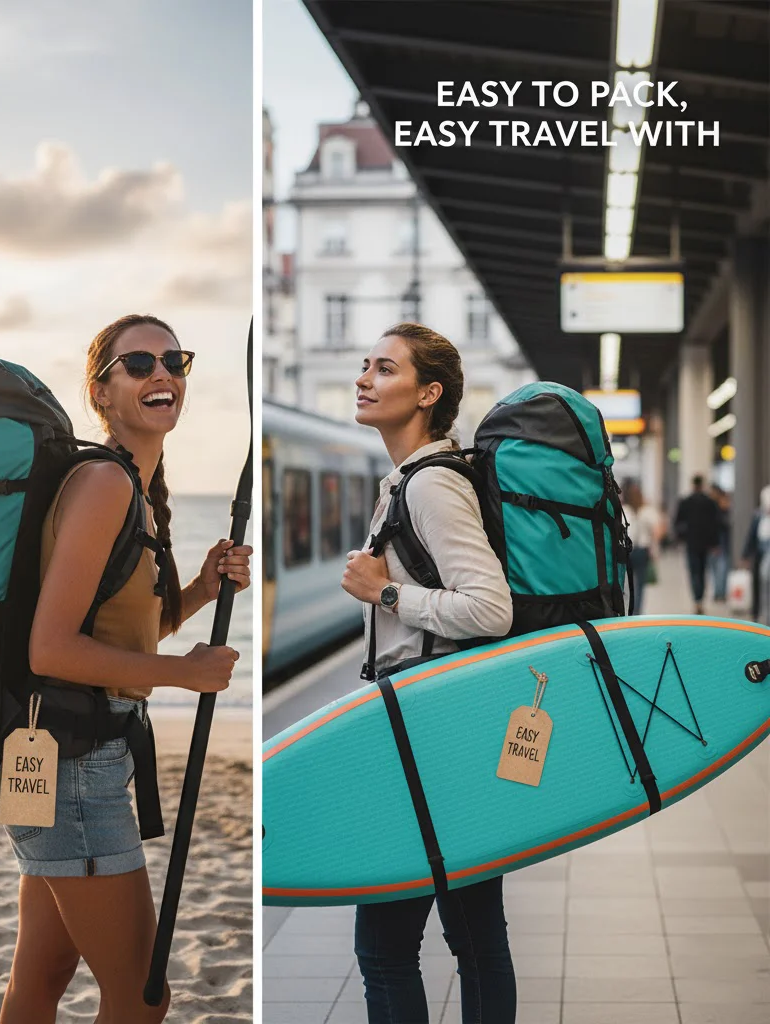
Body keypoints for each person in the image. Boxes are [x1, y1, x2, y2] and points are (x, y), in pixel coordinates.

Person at [0, 314, 252, 1024]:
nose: (162, 373)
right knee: (143, 997)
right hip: (76, 768)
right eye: (138, 364)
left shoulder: (133, 491)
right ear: (100, 392)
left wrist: (200, 591)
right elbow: (49, 650)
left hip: (60, 758)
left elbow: (112, 631)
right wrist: (184, 673)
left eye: (174, 360)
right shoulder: (106, 486)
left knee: (39, 981)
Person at [341, 322, 516, 1024]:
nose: (364, 378)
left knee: (384, 949)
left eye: (384, 369)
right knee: (476, 941)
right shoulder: (415, 480)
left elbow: (490, 608)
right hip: (447, 736)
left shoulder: (433, 486)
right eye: (365, 364)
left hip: (425, 740)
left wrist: (385, 593)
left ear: (428, 393)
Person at [673, 474, 722, 614]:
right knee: (702, 571)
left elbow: (678, 522)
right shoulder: (710, 502)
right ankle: (700, 599)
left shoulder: (686, 501)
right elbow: (715, 524)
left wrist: (680, 539)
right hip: (705, 544)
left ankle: (697, 600)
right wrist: (715, 544)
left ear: (693, 485)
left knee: (693, 571)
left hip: (691, 542)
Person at [622, 480, 664, 614]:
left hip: (626, 550)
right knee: (640, 584)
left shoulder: (623, 510)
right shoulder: (648, 511)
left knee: (625, 583)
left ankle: (626, 609)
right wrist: (653, 545)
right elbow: (659, 531)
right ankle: (637, 612)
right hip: (642, 551)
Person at [741, 485, 770, 625]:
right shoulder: (758, 516)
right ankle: (757, 613)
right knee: (758, 585)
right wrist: (745, 555)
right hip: (760, 554)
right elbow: (751, 536)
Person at [709, 484, 732, 603]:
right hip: (715, 542)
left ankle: (721, 592)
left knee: (721, 568)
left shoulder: (723, 509)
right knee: (715, 569)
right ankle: (718, 592)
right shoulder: (711, 507)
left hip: (721, 542)